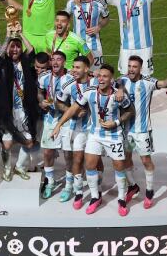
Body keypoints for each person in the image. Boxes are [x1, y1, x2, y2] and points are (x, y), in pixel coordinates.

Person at [53, 63, 132, 216]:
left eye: (105, 76)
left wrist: (116, 122)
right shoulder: (89, 92)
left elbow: (130, 111)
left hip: (114, 136)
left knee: (119, 167)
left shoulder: (118, 95)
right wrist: (59, 125)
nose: (101, 79)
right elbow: (73, 108)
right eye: (100, 76)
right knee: (89, 165)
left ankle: (121, 199)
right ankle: (95, 197)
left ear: (111, 79)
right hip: (95, 135)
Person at [120, 57, 167, 210]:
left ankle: (149, 190)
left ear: (140, 69)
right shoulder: (121, 80)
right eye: (129, 66)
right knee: (125, 159)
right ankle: (133, 186)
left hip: (142, 131)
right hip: (127, 131)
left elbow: (164, 84)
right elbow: (108, 82)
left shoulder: (148, 82)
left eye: (134, 67)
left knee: (146, 160)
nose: (131, 69)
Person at [0, 36, 39, 182]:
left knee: (29, 142)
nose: (15, 49)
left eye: (18, 46)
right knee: (6, 144)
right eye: (12, 47)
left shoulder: (25, 62)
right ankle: (7, 169)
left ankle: (19, 167)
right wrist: (8, 37)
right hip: (7, 109)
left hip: (23, 109)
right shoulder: (4, 63)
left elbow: (31, 50)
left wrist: (21, 34)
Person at [56, 56, 97, 204]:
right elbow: (59, 102)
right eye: (73, 67)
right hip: (78, 128)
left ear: (87, 69)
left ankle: (96, 185)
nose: (73, 70)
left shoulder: (96, 82)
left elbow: (116, 86)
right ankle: (78, 191)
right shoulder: (69, 85)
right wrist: (71, 111)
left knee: (95, 161)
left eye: (77, 67)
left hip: (96, 129)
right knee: (77, 160)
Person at [37, 50, 74, 199]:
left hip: (67, 120)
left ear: (64, 62)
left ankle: (69, 185)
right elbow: (39, 92)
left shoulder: (71, 78)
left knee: (68, 154)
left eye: (59, 59)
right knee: (47, 152)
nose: (55, 62)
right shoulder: (44, 77)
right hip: (50, 118)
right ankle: (51, 182)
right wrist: (41, 101)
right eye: (53, 60)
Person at [65, 0, 110, 67]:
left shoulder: (100, 3)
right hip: (75, 45)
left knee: (96, 74)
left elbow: (106, 18)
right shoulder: (72, 2)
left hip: (94, 45)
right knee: (76, 74)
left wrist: (99, 26)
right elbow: (64, 17)